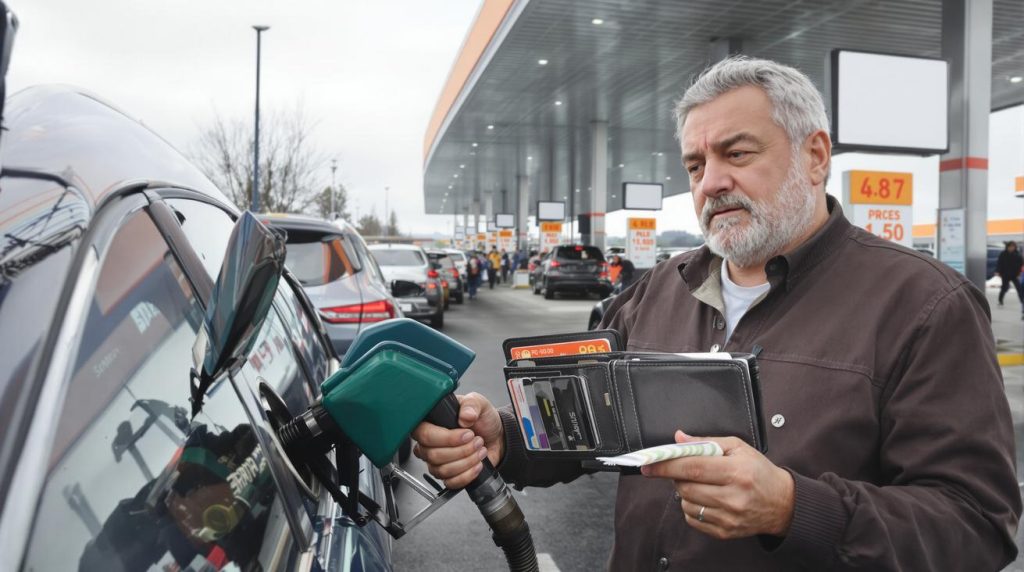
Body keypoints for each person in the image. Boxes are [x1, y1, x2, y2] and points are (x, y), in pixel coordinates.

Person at [412, 56, 1021, 570]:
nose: (709, 183)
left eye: (737, 153)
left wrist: (792, 507)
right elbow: (588, 431)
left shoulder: (925, 305)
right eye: (696, 165)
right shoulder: (657, 290)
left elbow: (976, 525)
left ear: (815, 156)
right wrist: (506, 440)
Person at [995, 241, 1023, 315]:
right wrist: (998, 271)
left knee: (1019, 289)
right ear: (1007, 247)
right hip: (1005, 274)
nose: (1011, 248)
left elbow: (1021, 265)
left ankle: (1022, 301)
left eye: (1013, 247)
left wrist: (1019, 273)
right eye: (1010, 246)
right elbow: (999, 263)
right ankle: (1000, 301)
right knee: (1004, 288)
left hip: (1014, 275)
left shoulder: (1018, 255)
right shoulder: (1003, 254)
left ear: (1015, 247)